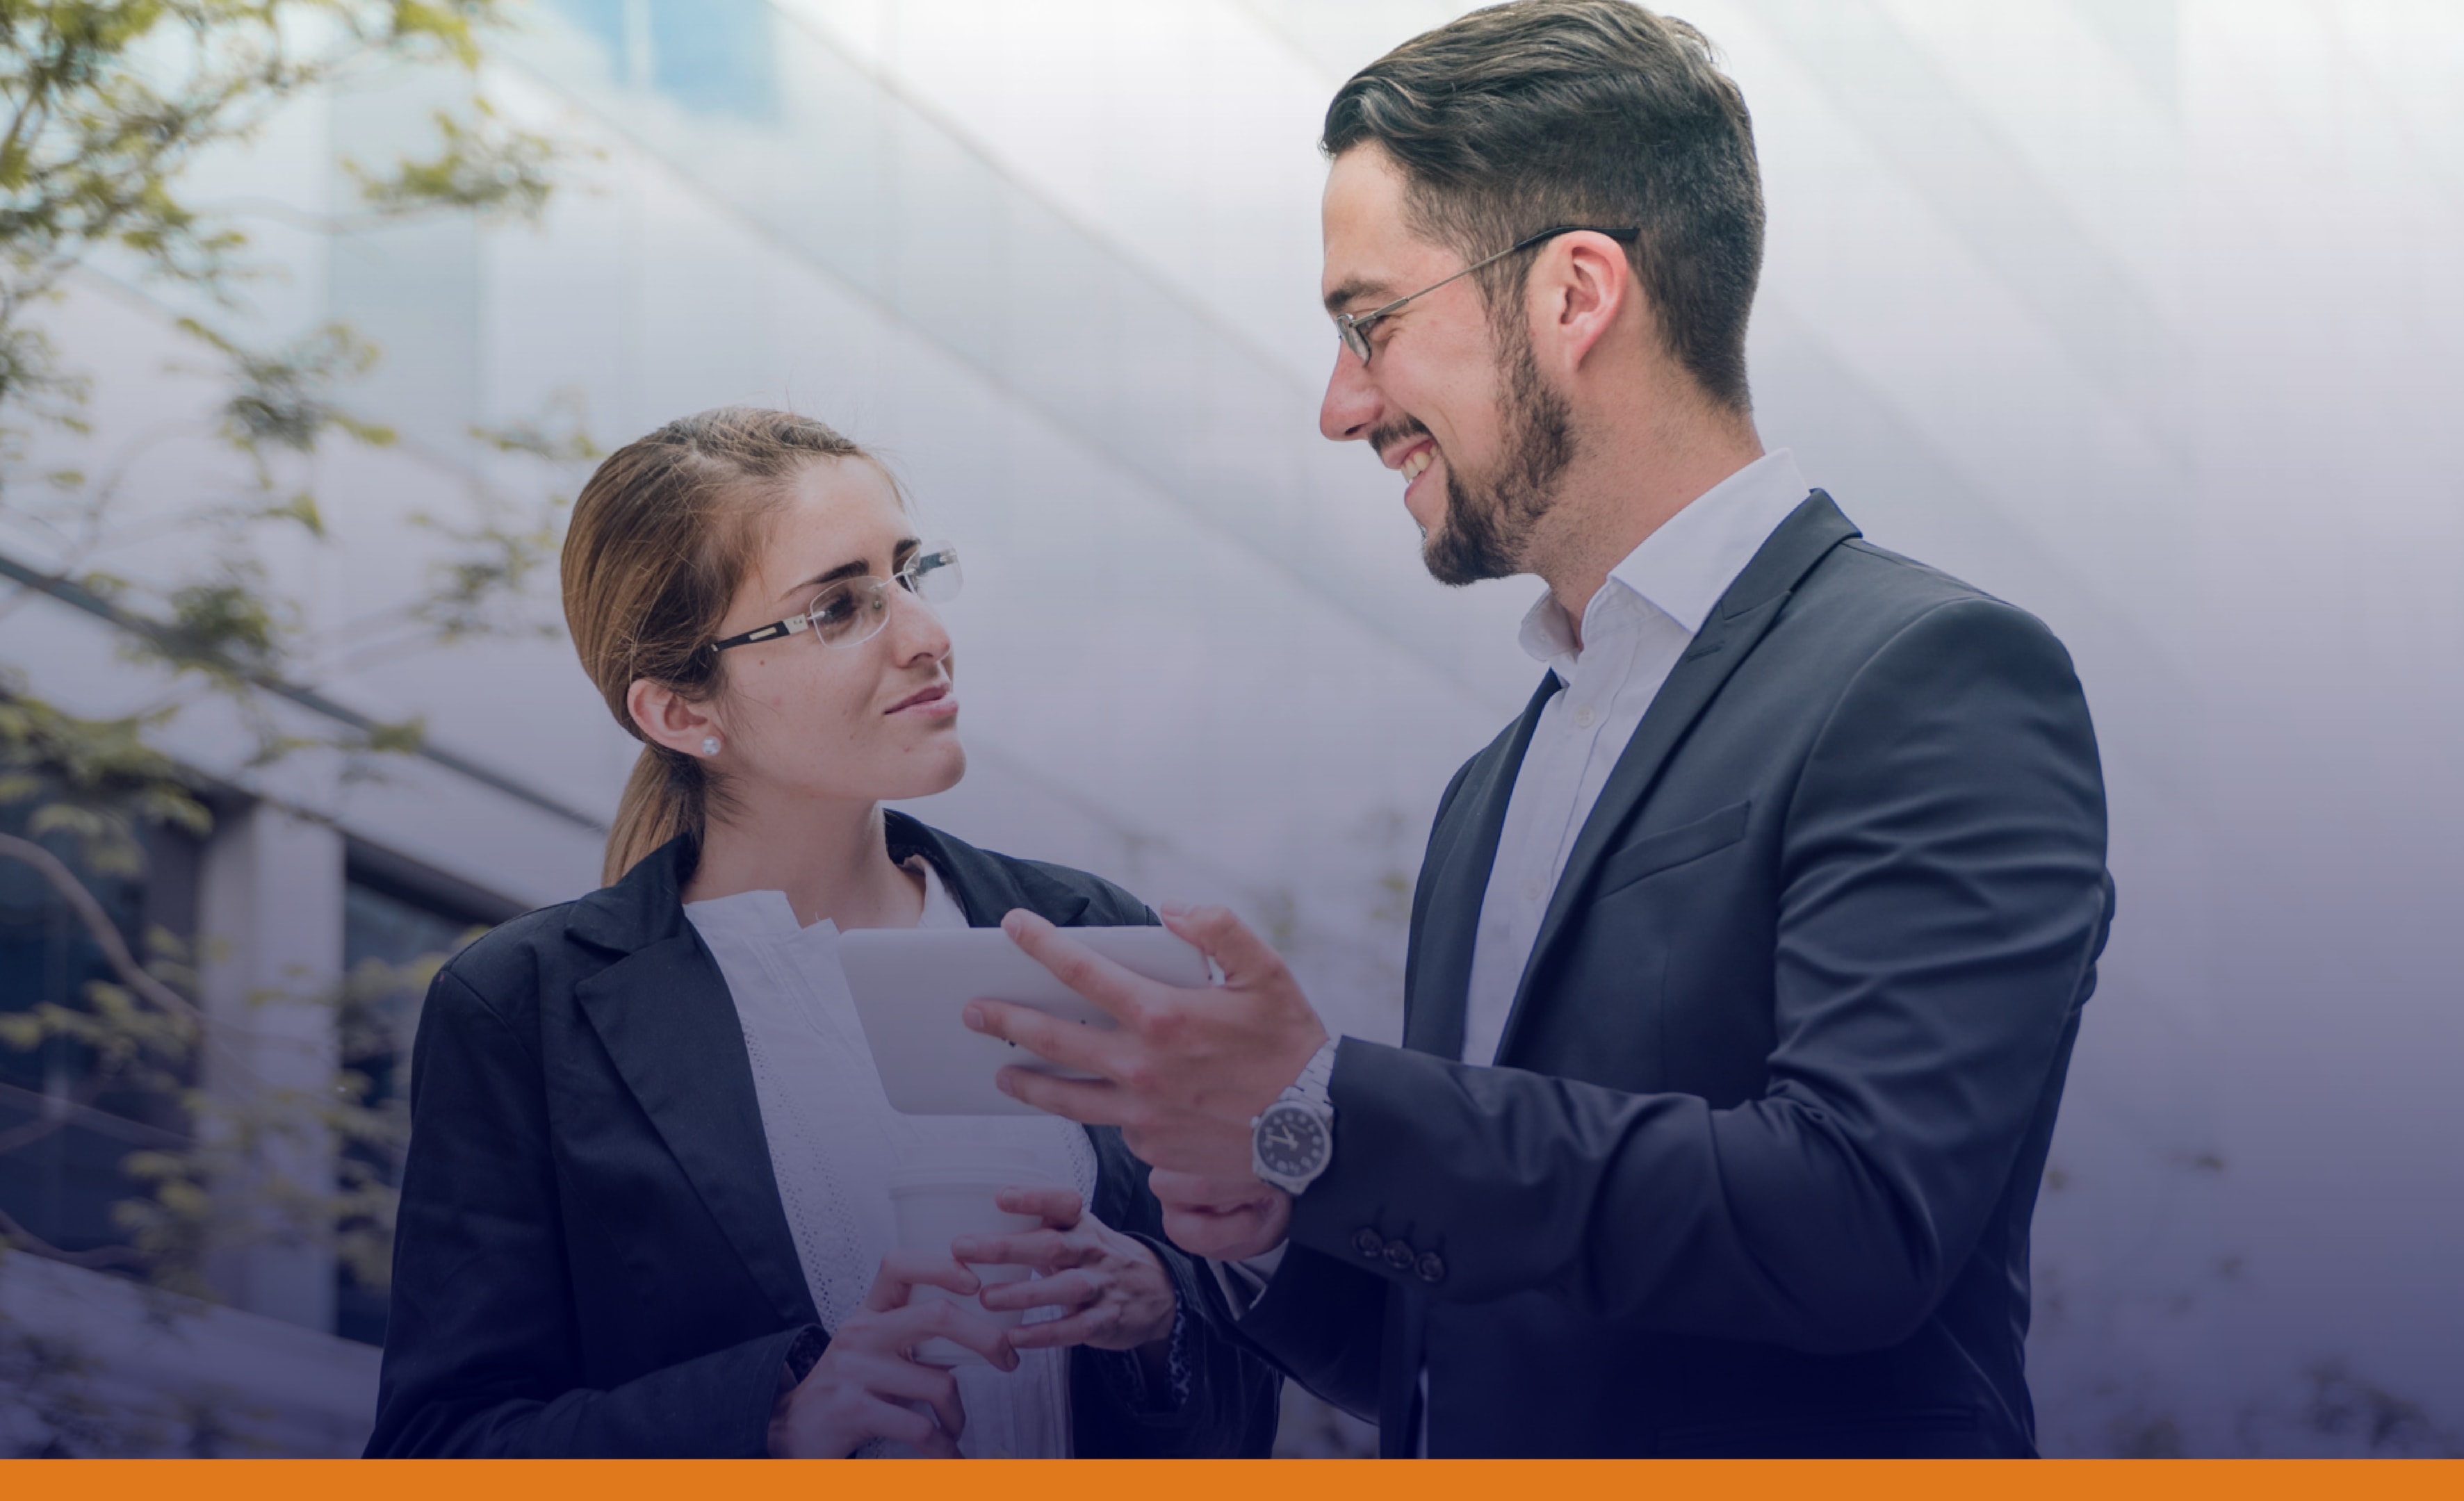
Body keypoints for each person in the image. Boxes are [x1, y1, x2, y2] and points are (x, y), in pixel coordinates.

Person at [961, 0, 2116, 1459]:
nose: (1340, 408)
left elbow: (1856, 1220)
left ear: (1577, 296)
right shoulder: (1487, 793)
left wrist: (1323, 1103)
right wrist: (1276, 1209)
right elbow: (1462, 1349)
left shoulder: (1931, 673)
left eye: (1369, 322)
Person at [364, 408, 1280, 1458]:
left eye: (911, 573)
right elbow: (442, 1446)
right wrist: (773, 1422)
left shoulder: (1086, 939)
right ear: (680, 713)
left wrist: (1162, 1314)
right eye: (840, 607)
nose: (928, 637)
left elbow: (1249, 1386)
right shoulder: (527, 1010)